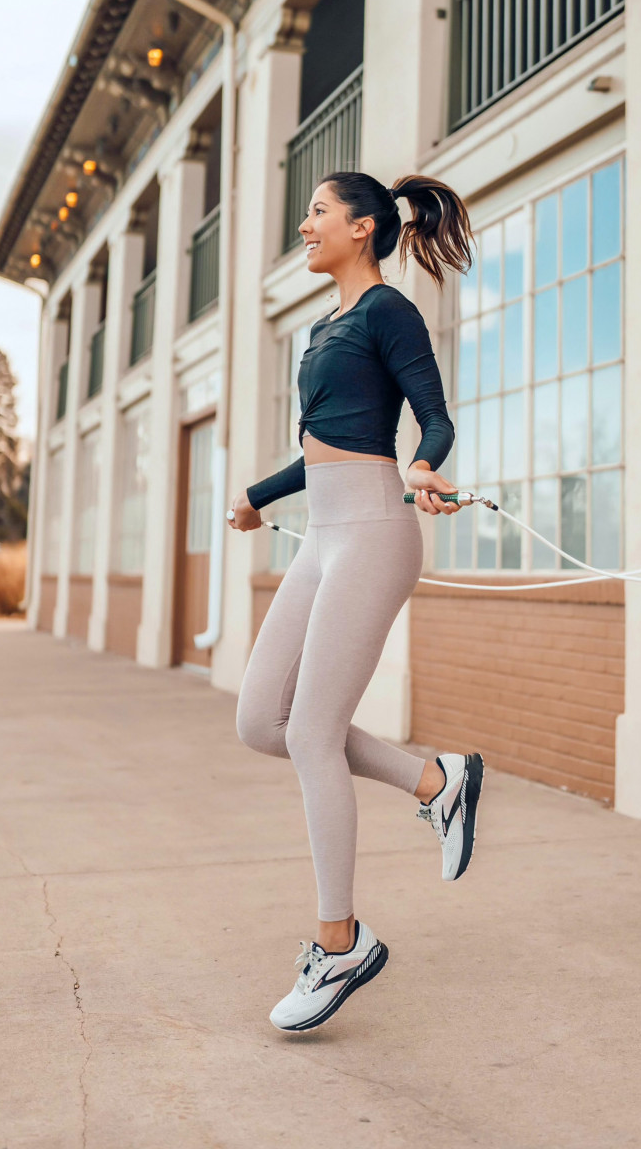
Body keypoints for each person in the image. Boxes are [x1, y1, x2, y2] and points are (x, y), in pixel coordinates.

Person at [228, 170, 485, 1033]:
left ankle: (340, 945)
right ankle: (435, 780)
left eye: (318, 214)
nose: (306, 227)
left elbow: (435, 417)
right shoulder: (324, 324)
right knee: (261, 721)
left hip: (376, 530)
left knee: (310, 731)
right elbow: (323, 445)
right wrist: (261, 496)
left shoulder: (388, 311)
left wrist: (422, 469)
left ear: (364, 227)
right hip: (323, 535)